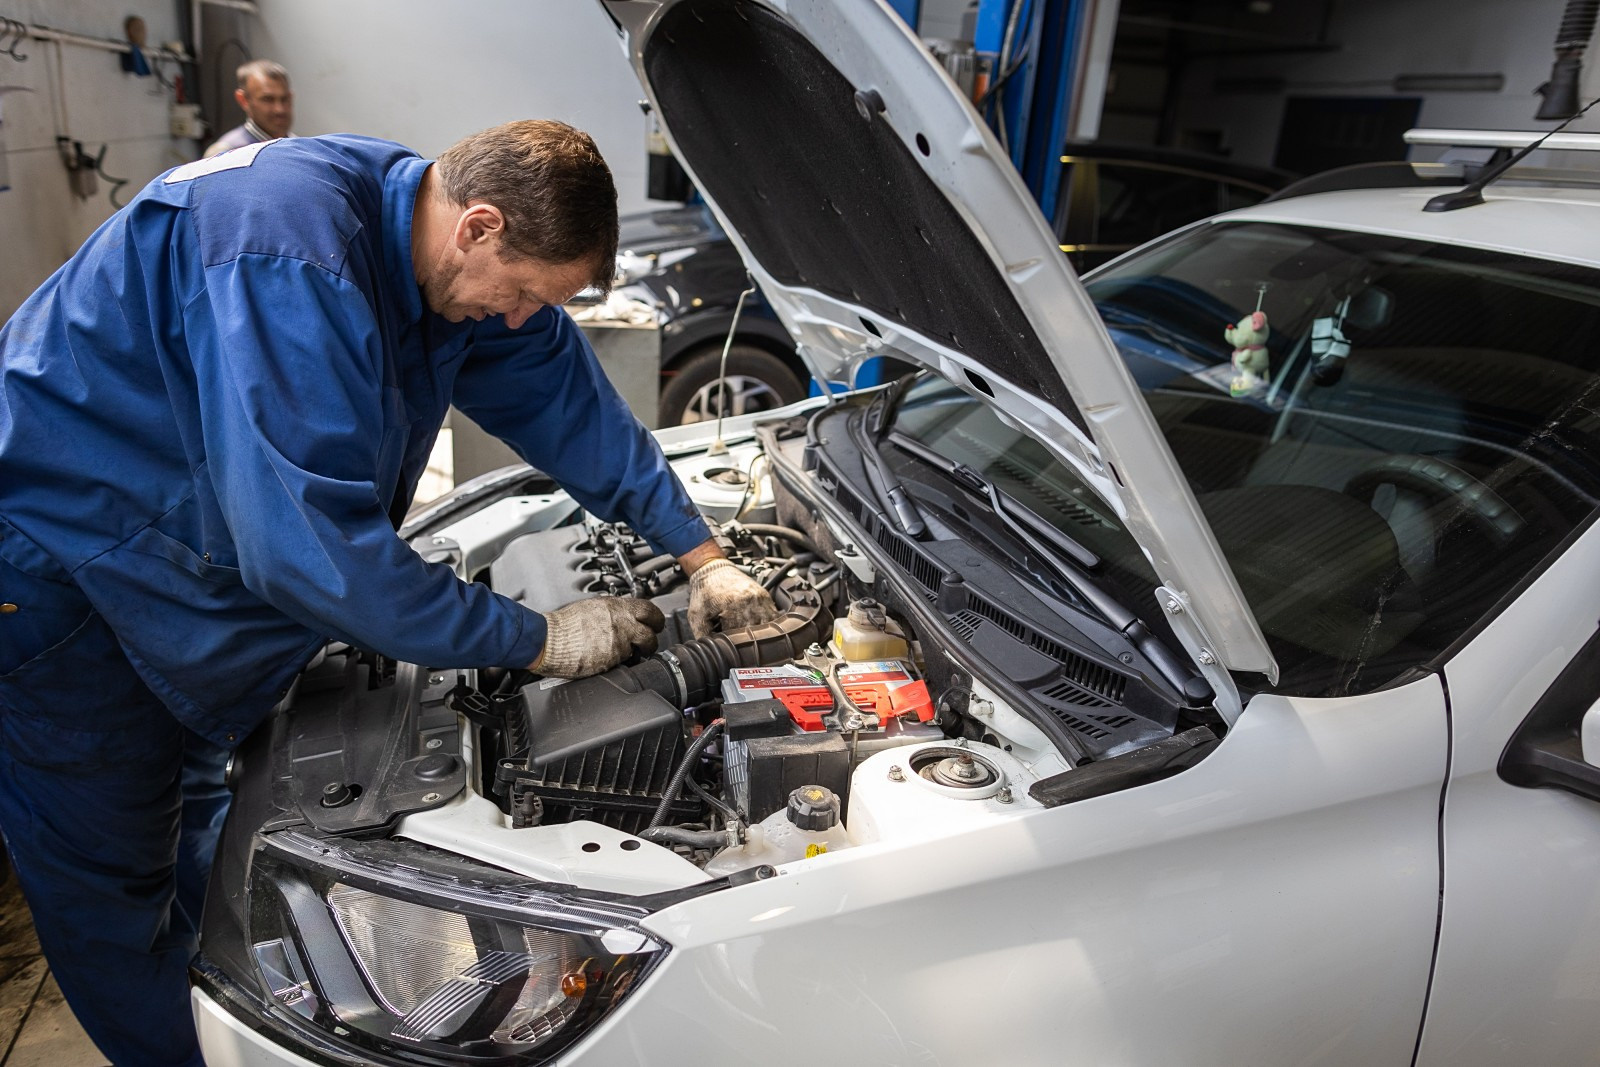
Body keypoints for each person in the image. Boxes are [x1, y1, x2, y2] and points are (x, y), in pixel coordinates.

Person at [0, 120, 778, 1065]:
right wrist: (537, 639)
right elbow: (314, 551)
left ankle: (246, 1003)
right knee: (112, 883)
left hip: (186, 564)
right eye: (528, 293)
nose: (526, 316)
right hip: (59, 571)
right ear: (479, 227)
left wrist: (704, 557)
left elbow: (568, 401)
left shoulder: (447, 268)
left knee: (213, 819)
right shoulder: (287, 256)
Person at [203, 58, 294, 158]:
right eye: (268, 99)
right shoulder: (226, 153)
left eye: (285, 99)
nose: (279, 109)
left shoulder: (302, 148)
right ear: (243, 100)